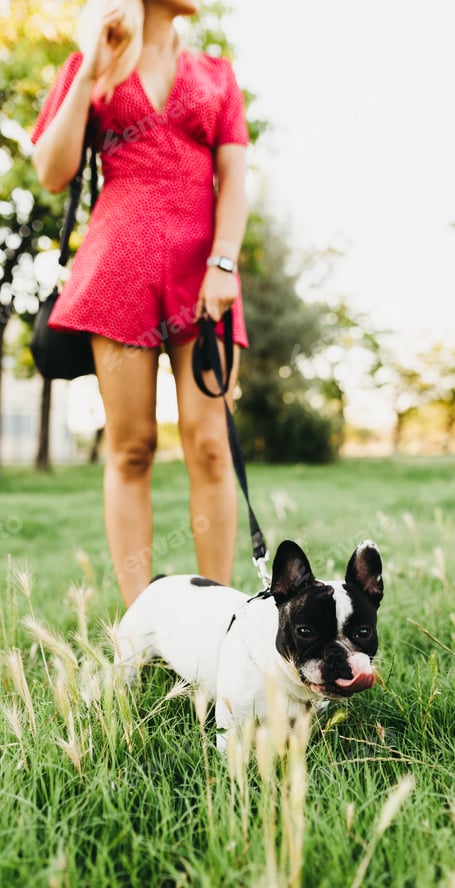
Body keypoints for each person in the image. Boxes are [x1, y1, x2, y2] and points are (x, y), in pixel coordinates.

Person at [31, 0, 249, 607]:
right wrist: (90, 66)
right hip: (119, 272)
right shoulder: (90, 65)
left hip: (205, 276)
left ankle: (224, 615)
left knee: (209, 444)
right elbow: (52, 172)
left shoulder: (216, 74)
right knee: (132, 448)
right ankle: (142, 619)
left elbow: (234, 179)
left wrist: (224, 261)